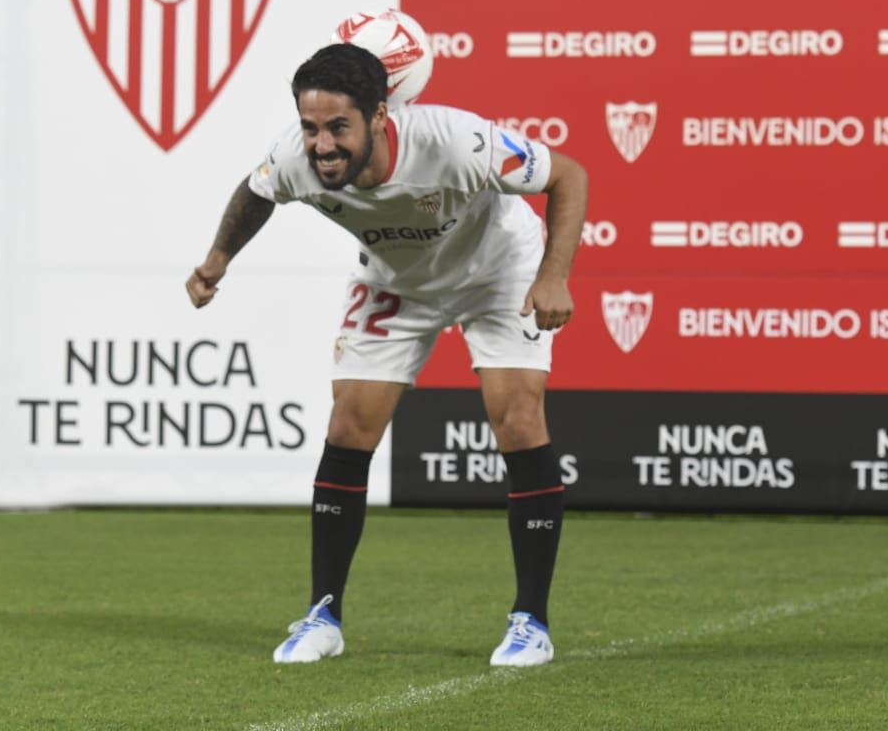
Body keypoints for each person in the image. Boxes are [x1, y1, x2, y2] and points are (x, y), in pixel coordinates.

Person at [186, 42, 588, 666]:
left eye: (339, 128)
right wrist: (217, 260)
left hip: (499, 272)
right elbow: (256, 191)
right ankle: (323, 614)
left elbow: (568, 175)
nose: (322, 146)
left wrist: (554, 274)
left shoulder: (458, 142)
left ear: (380, 116)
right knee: (348, 423)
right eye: (311, 127)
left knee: (517, 418)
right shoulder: (298, 158)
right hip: (397, 283)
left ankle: (531, 621)